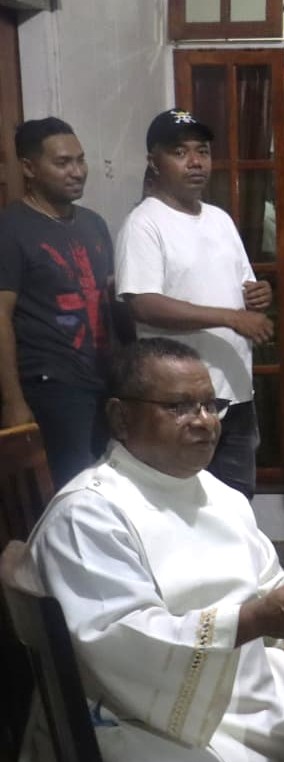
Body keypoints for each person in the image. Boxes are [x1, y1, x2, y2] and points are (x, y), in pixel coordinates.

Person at [16, 338, 284, 762]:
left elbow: (263, 586)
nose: (205, 421)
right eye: (179, 407)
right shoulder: (89, 514)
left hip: (245, 690)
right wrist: (253, 621)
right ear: (120, 417)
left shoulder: (217, 494)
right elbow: (119, 641)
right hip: (131, 716)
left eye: (212, 405)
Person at [115, 108, 272, 499]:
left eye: (202, 151)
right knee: (182, 505)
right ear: (154, 161)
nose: (196, 162)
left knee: (236, 507)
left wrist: (259, 294)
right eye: (180, 152)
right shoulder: (144, 223)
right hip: (178, 403)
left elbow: (245, 289)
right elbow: (143, 304)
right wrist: (229, 318)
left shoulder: (220, 219)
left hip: (236, 393)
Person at [0, 118, 116, 488]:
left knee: (108, 487)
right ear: (29, 167)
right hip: (52, 386)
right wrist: (13, 401)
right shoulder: (11, 228)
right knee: (70, 491)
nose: (77, 172)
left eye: (80, 160)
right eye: (63, 163)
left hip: (103, 380)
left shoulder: (94, 223)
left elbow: (109, 298)